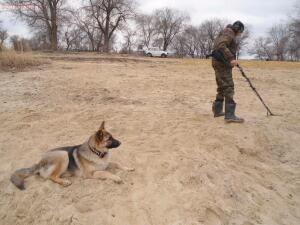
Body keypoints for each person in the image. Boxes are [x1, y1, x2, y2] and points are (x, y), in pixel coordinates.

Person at [211, 21, 245, 123]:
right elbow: (221, 45)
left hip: (219, 63)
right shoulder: (229, 33)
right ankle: (230, 115)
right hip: (222, 64)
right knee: (229, 87)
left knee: (221, 87)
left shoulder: (225, 32)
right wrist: (231, 58)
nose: (239, 34)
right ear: (238, 29)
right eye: (240, 32)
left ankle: (217, 111)